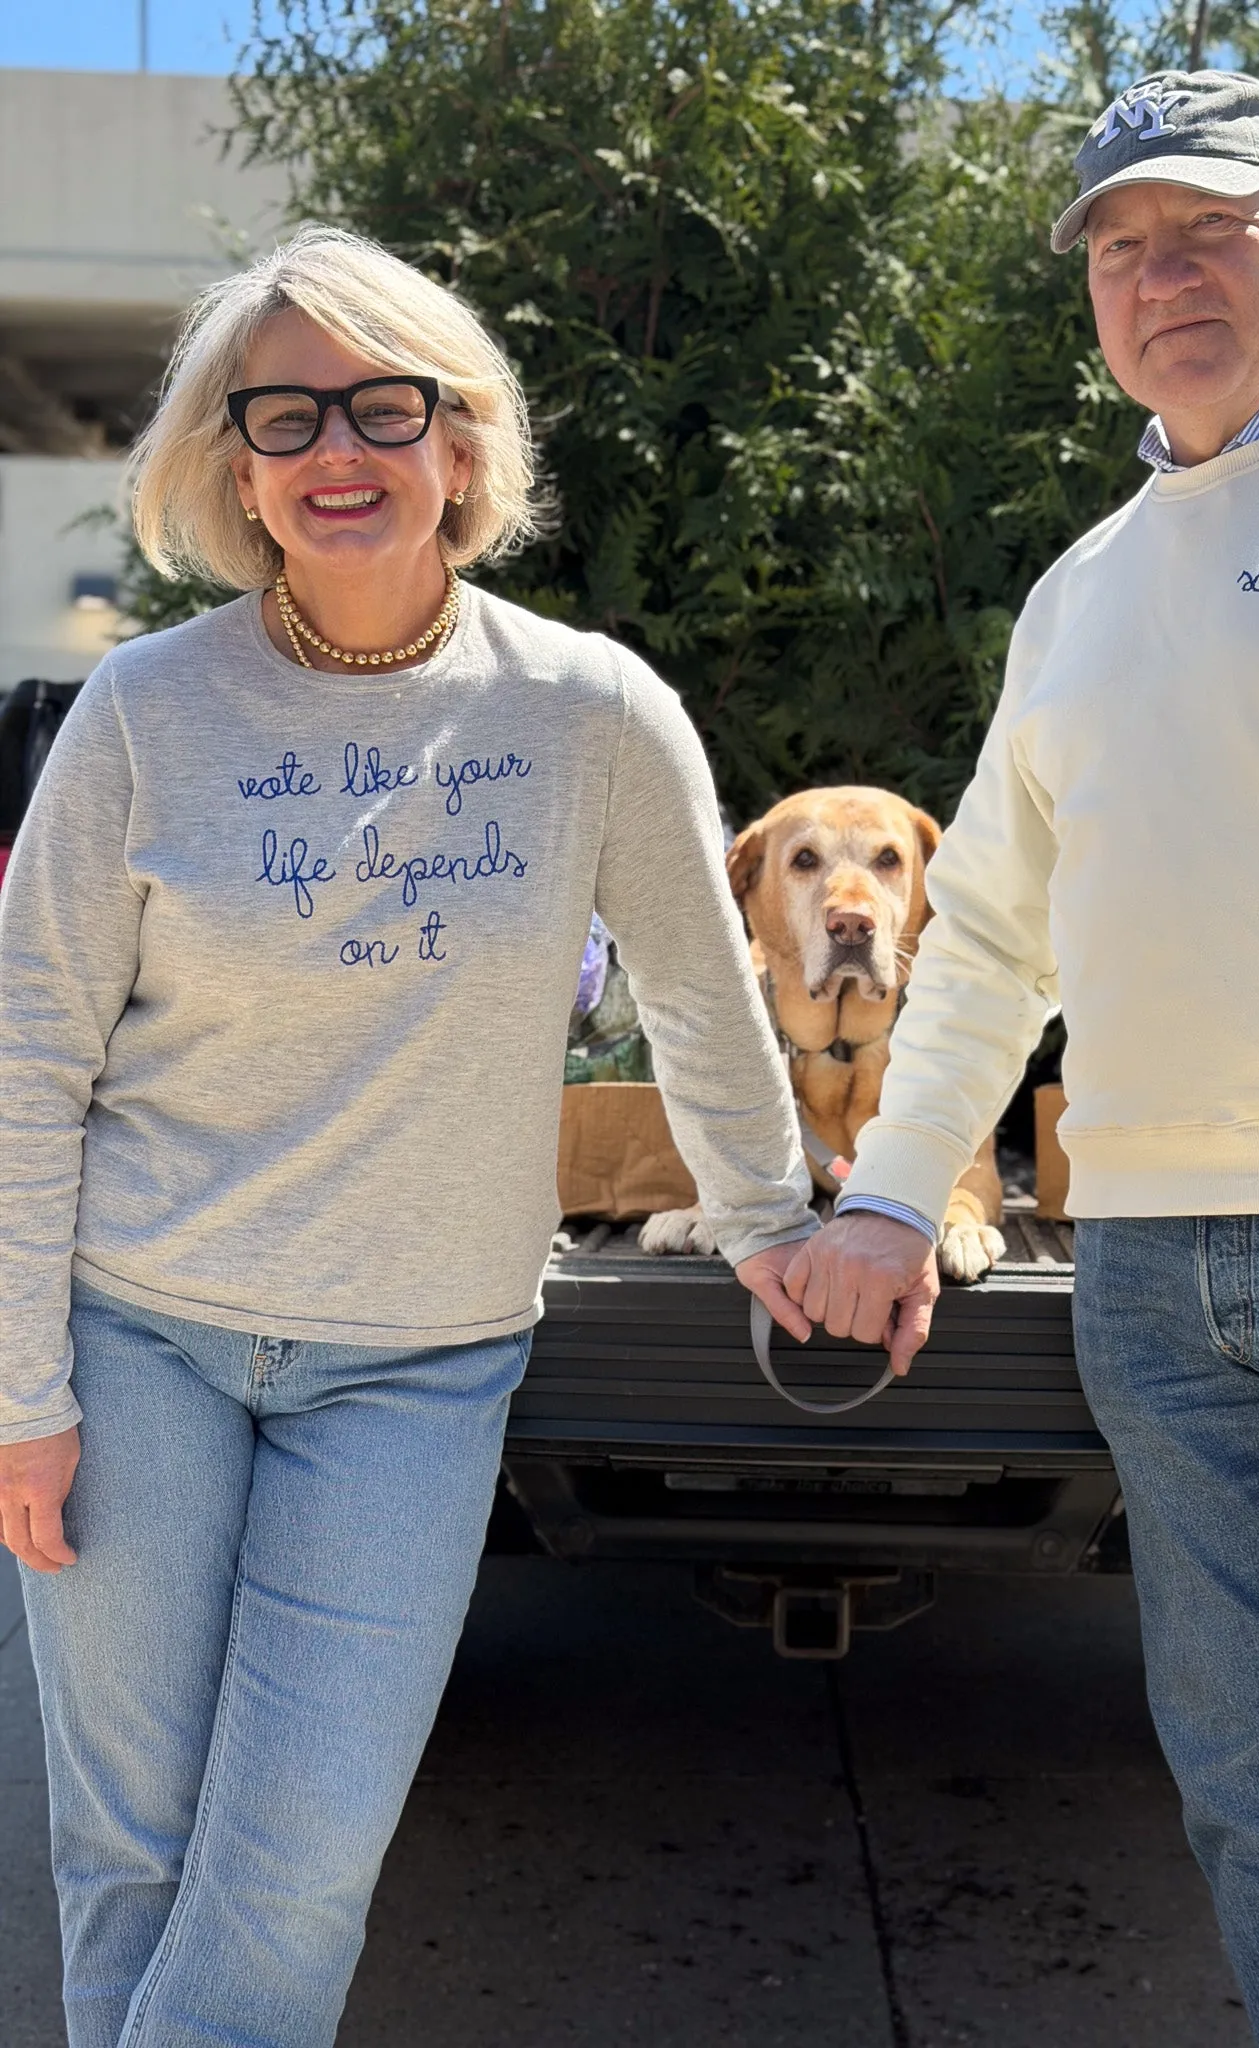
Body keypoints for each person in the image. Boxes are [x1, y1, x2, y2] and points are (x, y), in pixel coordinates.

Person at [0, 224, 816, 2048]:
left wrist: (774, 1221)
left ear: (464, 442)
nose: (336, 448)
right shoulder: (143, 712)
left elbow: (697, 991)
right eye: (281, 414)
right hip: (138, 1339)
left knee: (291, 1868)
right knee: (129, 1852)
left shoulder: (587, 711)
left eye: (386, 401)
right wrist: (20, 1394)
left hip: (417, 1371)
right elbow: (28, 1056)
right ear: (235, 466)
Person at [788, 69, 1259, 2046]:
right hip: (1148, 1273)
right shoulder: (1082, 592)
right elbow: (992, 950)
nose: (1165, 277)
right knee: (1254, 1796)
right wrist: (880, 1198)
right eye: (1125, 248)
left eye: (1209, 231)